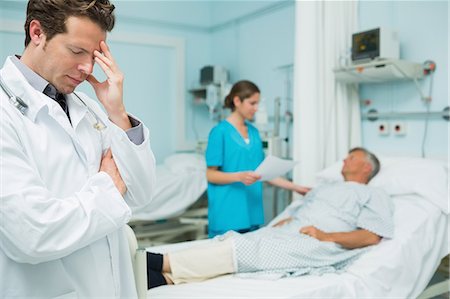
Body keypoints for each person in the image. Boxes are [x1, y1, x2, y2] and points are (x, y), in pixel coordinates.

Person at [0, 1, 156, 298]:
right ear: (37, 32)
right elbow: (33, 234)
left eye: (95, 56)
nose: (87, 68)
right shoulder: (5, 112)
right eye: (77, 52)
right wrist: (109, 186)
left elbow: (142, 192)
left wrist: (118, 114)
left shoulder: (90, 109)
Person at [146, 147, 394, 288]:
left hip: (320, 242)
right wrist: (291, 218)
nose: (344, 159)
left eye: (352, 157)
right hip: (293, 231)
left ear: (366, 168)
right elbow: (303, 209)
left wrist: (326, 235)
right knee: (239, 241)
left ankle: (158, 263)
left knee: (248, 248)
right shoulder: (325, 187)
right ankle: (163, 278)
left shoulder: (373, 194)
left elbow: (371, 235)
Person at [205, 80, 309, 237]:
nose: (256, 108)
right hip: (227, 212)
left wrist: (297, 188)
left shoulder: (254, 133)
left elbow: (263, 173)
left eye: (257, 103)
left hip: (252, 212)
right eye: (252, 103)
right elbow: (210, 174)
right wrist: (238, 177)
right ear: (237, 101)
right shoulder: (220, 132)